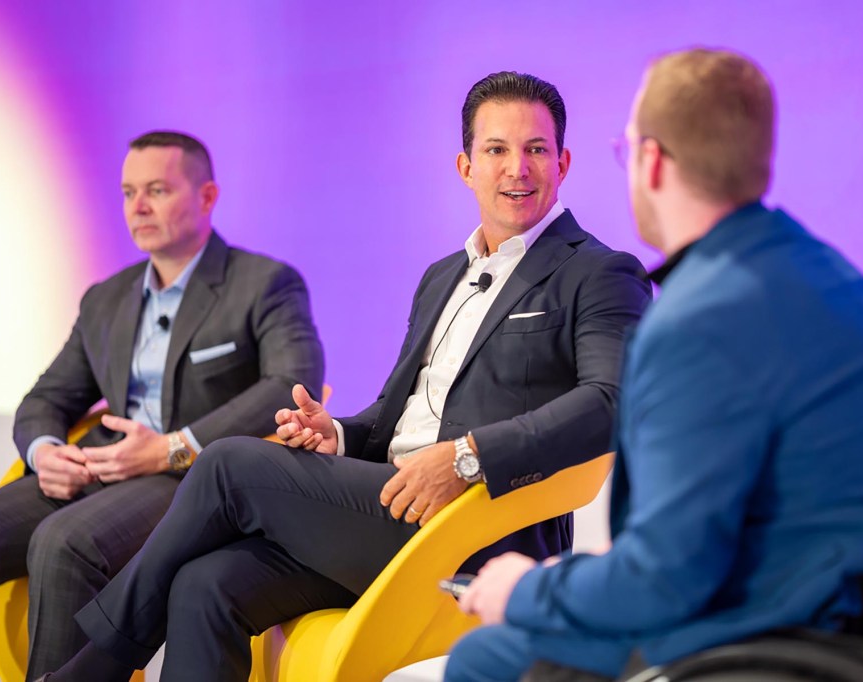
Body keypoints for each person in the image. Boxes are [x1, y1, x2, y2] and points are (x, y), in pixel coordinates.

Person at [39, 71, 651, 682]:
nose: (517, 168)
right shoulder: (442, 276)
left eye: (535, 149)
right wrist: (338, 434)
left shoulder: (598, 272)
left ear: (563, 162)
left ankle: (92, 670)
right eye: (496, 150)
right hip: (386, 503)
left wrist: (465, 458)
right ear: (465, 167)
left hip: (473, 527)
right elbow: (399, 410)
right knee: (205, 584)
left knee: (227, 464)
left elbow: (611, 402)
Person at [445, 48, 863, 681]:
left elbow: (662, 582)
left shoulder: (700, 317)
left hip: (795, 643)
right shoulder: (820, 273)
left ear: (652, 161)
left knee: (485, 657)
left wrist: (523, 592)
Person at [0, 130, 324, 678]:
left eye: (157, 190)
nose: (137, 207)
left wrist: (172, 448)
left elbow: (292, 380)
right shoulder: (106, 299)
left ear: (206, 196)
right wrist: (46, 451)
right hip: (100, 467)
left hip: (190, 480)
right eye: (127, 193)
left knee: (65, 543)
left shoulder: (264, 284)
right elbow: (49, 396)